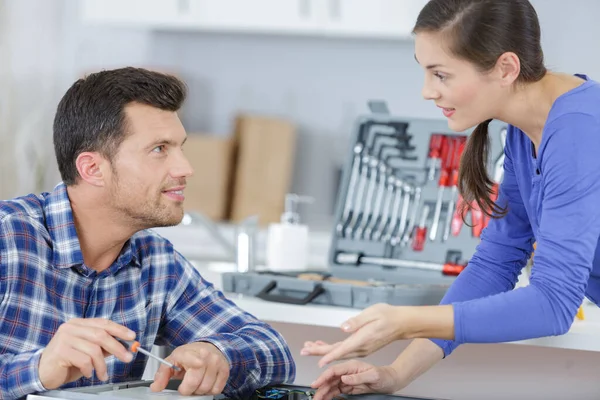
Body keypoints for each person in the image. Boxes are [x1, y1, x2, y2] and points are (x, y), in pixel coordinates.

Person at [301, 0, 600, 399]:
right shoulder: (526, 130)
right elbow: (495, 264)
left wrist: (408, 320)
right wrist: (395, 373)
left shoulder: (580, 129)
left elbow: (553, 303)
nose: (427, 91)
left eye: (440, 74)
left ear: (506, 68)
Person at [0, 67, 296, 400]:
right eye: (159, 149)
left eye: (180, 147)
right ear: (92, 168)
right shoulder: (8, 238)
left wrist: (217, 353)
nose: (185, 168)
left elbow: (273, 351)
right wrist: (38, 369)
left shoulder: (156, 261)